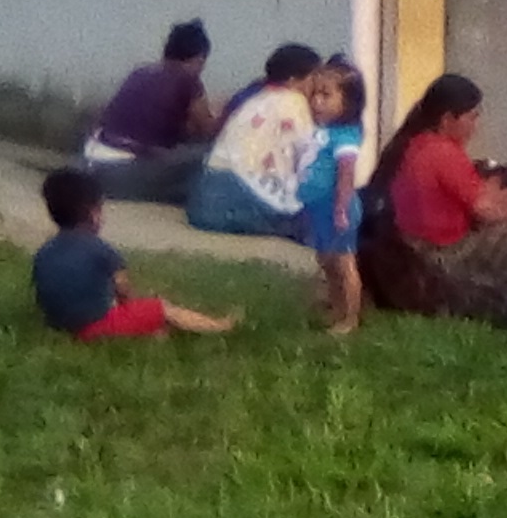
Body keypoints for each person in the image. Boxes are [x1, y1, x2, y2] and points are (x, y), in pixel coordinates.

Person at [361, 73, 507, 327]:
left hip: (412, 248)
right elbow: (484, 210)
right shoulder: (442, 152)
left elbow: (476, 196)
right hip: (435, 255)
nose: (476, 125)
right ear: (448, 119)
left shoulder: (416, 145)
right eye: (472, 117)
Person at [31, 167, 234, 340]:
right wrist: (131, 305)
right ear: (93, 214)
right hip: (92, 327)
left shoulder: (45, 251)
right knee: (162, 308)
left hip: (57, 324)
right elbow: (123, 286)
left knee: (152, 327)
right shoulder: (101, 249)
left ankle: (152, 332)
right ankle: (219, 327)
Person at [185, 44, 322, 238]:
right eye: (313, 78)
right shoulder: (294, 101)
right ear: (294, 80)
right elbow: (308, 156)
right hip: (244, 199)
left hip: (205, 200)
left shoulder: (256, 98)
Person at [81, 20, 220, 204]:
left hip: (92, 163)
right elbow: (209, 131)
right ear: (200, 58)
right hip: (124, 173)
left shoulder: (140, 72)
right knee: (210, 153)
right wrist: (223, 113)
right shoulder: (189, 80)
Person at [298, 60, 368, 335]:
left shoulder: (345, 137)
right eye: (314, 93)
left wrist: (341, 209)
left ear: (349, 102)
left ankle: (350, 318)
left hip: (337, 209)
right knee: (326, 260)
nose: (316, 101)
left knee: (344, 262)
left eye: (326, 95)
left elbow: (345, 176)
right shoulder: (323, 131)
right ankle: (337, 307)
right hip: (318, 208)